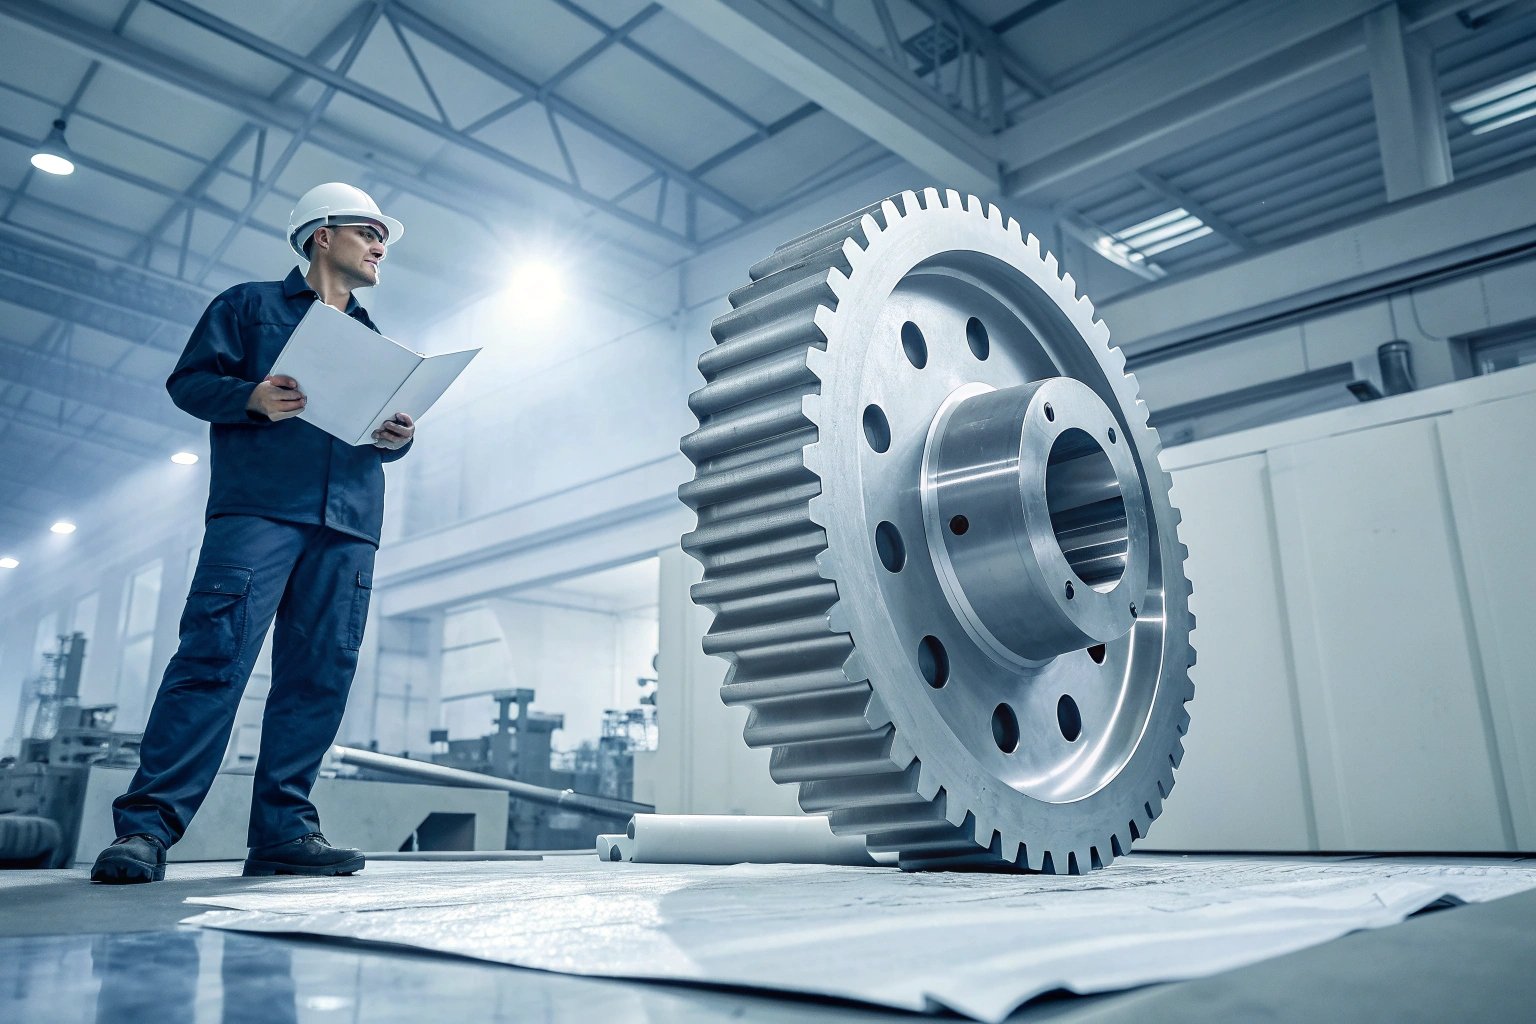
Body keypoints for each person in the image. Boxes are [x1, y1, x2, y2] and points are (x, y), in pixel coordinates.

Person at [91, 183, 416, 883]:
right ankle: (145, 832)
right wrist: (250, 397)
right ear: (320, 235)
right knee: (214, 659)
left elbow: (378, 434)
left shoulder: (375, 342)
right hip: (261, 511)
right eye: (367, 231)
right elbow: (189, 382)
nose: (379, 244)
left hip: (350, 522)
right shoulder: (248, 308)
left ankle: (283, 832)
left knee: (319, 676)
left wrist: (398, 436)